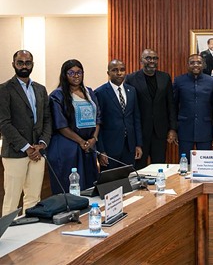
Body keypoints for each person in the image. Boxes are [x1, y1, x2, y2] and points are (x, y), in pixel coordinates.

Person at [0, 50, 52, 215]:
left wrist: (41, 144)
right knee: (12, 200)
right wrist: (26, 147)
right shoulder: (4, 89)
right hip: (15, 153)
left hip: (38, 152)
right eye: (20, 63)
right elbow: (4, 123)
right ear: (13, 64)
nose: (24, 66)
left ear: (32, 65)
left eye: (27, 63)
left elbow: (47, 119)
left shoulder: (40, 89)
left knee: (33, 199)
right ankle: (7, 232)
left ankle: (30, 231)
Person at [47, 59, 101, 194]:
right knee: (71, 187)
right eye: (71, 73)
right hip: (68, 148)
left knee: (90, 186)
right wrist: (81, 141)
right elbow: (60, 125)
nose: (76, 76)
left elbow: (98, 118)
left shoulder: (89, 92)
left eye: (79, 72)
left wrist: (93, 139)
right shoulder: (57, 95)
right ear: (64, 75)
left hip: (88, 146)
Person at [126, 48, 177, 169]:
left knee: (159, 166)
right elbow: (129, 107)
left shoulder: (165, 77)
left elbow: (171, 104)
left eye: (155, 58)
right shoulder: (131, 78)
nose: (152, 61)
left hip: (160, 131)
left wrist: (172, 128)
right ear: (141, 60)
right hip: (140, 132)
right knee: (139, 167)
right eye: (148, 58)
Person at [95, 59, 143, 170]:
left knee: (129, 178)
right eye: (115, 70)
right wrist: (101, 151)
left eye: (122, 70)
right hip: (110, 148)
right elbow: (98, 124)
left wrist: (138, 144)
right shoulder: (100, 93)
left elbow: (136, 119)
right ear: (108, 73)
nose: (119, 73)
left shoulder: (132, 91)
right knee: (110, 179)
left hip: (129, 147)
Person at [173, 54, 213, 159]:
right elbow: (173, 106)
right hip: (184, 129)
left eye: (199, 62)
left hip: (205, 129)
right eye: (192, 63)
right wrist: (173, 129)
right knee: (185, 163)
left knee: (204, 163)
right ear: (187, 65)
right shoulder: (179, 81)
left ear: (203, 65)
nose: (196, 65)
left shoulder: (211, 82)